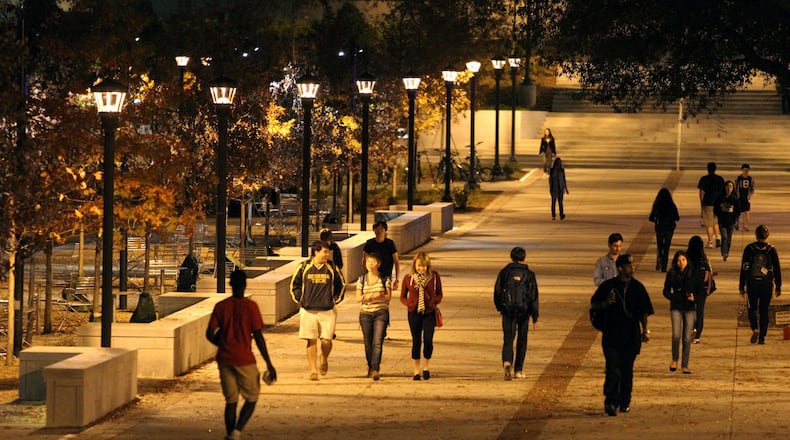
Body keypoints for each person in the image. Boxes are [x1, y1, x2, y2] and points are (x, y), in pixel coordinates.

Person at [206, 269, 277, 440]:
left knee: (231, 401)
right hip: (244, 358)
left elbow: (209, 333)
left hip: (224, 359)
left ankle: (230, 434)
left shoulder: (221, 307)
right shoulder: (251, 307)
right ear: (245, 285)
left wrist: (223, 344)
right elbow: (258, 336)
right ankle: (237, 432)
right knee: (252, 397)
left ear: (230, 284)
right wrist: (269, 363)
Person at [590, 254, 654, 416]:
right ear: (620, 268)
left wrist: (645, 330)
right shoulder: (608, 286)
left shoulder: (638, 288)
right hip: (611, 334)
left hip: (630, 336)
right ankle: (611, 401)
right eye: (628, 266)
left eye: (632, 266)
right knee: (612, 368)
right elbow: (594, 305)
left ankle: (625, 400)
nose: (632, 268)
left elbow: (644, 312)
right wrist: (606, 302)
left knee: (626, 369)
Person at [290, 241, 346, 380]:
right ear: (316, 252)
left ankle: (324, 358)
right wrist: (301, 299)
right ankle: (313, 370)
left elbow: (341, 284)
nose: (327, 255)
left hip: (327, 310)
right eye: (324, 252)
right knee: (311, 340)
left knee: (326, 340)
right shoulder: (304, 266)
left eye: (328, 252)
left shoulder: (332, 267)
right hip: (308, 310)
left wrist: (334, 300)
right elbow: (294, 285)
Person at [493, 247, 539, 381]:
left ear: (511, 257)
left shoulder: (504, 272)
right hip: (524, 311)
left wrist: (500, 307)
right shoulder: (529, 274)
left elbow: (497, 291)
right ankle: (518, 370)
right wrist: (535, 316)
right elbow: (533, 296)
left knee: (508, 338)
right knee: (522, 340)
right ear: (524, 258)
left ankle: (507, 361)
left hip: (508, 310)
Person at [400, 252, 443, 380]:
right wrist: (409, 303)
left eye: (424, 266)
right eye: (419, 266)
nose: (421, 268)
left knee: (428, 340)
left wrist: (433, 301)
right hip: (414, 313)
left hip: (429, 312)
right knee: (416, 340)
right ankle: (416, 370)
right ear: (415, 265)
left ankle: (426, 367)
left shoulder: (434, 277)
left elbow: (439, 294)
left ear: (428, 266)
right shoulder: (408, 278)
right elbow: (402, 296)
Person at [739, 225, 782, 345]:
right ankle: (762, 337)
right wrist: (778, 286)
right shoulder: (771, 250)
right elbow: (777, 269)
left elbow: (744, 268)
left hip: (752, 283)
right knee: (764, 310)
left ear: (756, 235)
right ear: (767, 236)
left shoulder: (749, 249)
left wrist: (741, 285)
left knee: (751, 308)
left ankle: (755, 328)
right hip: (766, 284)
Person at [663, 251, 703, 374]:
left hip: (689, 307)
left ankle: (684, 365)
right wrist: (673, 297)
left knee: (686, 337)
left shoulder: (694, 274)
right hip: (676, 306)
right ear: (675, 262)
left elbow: (701, 291)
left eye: (683, 260)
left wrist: (694, 298)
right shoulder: (672, 273)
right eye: (679, 260)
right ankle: (675, 359)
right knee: (676, 334)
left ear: (687, 261)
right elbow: (665, 290)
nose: (681, 263)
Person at [356, 252, 392, 381]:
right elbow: (358, 298)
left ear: (378, 264)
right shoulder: (362, 279)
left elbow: (388, 297)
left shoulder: (385, 279)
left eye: (373, 262)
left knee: (377, 341)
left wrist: (380, 296)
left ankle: (375, 368)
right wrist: (370, 297)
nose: (370, 264)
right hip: (365, 314)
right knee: (368, 343)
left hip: (380, 313)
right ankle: (370, 367)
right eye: (368, 262)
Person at [686, 236, 713, 344]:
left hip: (689, 286)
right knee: (700, 311)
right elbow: (710, 272)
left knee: (690, 309)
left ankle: (691, 328)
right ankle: (697, 335)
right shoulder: (704, 258)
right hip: (702, 288)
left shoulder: (686, 258)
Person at [648, 188, 680, 272]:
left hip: (660, 228)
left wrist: (656, 220)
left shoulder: (657, 205)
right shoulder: (672, 205)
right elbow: (677, 217)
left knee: (660, 245)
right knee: (666, 247)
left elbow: (651, 217)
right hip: (669, 228)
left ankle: (659, 257)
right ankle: (664, 266)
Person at [363, 220, 401, 290]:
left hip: (386, 277)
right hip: (372, 276)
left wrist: (397, 280)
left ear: (385, 230)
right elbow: (364, 260)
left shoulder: (390, 244)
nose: (379, 231)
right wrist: (366, 276)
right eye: (376, 228)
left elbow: (396, 262)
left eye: (381, 229)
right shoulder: (369, 243)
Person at [697, 161, 725, 248]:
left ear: (707, 169)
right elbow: (723, 192)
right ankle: (718, 237)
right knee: (715, 221)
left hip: (708, 203)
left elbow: (701, 193)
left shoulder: (704, 179)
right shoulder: (720, 179)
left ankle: (710, 241)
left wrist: (702, 204)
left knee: (709, 223)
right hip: (718, 203)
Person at [714, 180, 740, 261]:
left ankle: (727, 251)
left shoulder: (735, 199)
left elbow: (738, 210)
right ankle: (724, 253)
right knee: (724, 237)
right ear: (724, 187)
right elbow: (715, 208)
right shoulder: (720, 198)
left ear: (733, 188)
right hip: (722, 221)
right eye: (727, 186)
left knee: (729, 239)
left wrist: (736, 220)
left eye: (730, 186)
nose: (728, 188)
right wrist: (719, 212)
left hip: (731, 221)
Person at [735, 164, 755, 231]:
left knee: (746, 212)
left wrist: (750, 196)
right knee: (738, 212)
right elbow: (735, 187)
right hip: (739, 197)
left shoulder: (750, 179)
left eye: (747, 170)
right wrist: (736, 196)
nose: (746, 171)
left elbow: (752, 188)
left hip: (746, 198)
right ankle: (736, 223)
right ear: (742, 170)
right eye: (744, 170)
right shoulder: (739, 178)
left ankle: (745, 225)